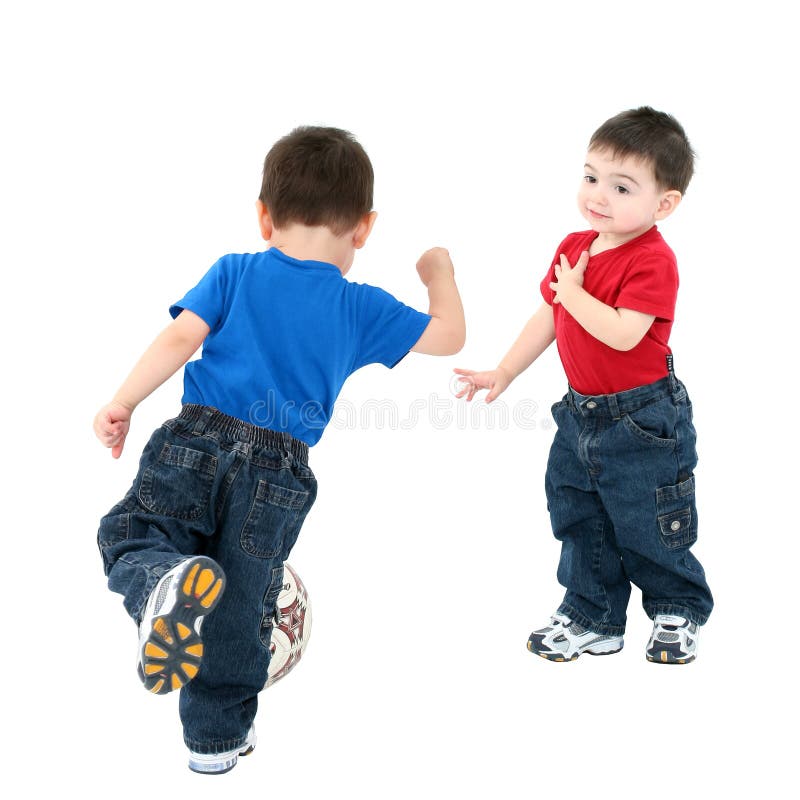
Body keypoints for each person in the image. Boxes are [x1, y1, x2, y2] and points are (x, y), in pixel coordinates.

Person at [94, 126, 465, 773]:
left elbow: (180, 340)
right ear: (364, 229)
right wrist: (440, 272)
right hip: (280, 470)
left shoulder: (235, 271)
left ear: (264, 216)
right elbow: (449, 336)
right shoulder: (360, 307)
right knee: (241, 605)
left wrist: (122, 401)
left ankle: (161, 582)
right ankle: (214, 745)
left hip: (195, 438)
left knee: (132, 534)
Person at [455, 107, 712, 665]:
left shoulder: (653, 260)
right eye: (591, 176)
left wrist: (572, 293)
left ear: (664, 203)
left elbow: (623, 335)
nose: (598, 194)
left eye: (622, 187)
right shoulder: (574, 246)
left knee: (650, 517)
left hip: (643, 419)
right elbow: (549, 316)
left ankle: (677, 608)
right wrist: (504, 370)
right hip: (580, 414)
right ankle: (592, 614)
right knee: (578, 512)